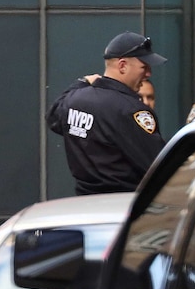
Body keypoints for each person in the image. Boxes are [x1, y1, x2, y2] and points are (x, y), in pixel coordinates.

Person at [46, 31, 167, 196]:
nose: (148, 74)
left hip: (83, 203)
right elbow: (159, 166)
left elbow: (53, 118)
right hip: (122, 204)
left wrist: (80, 83)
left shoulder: (75, 99)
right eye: (144, 67)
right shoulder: (131, 109)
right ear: (122, 65)